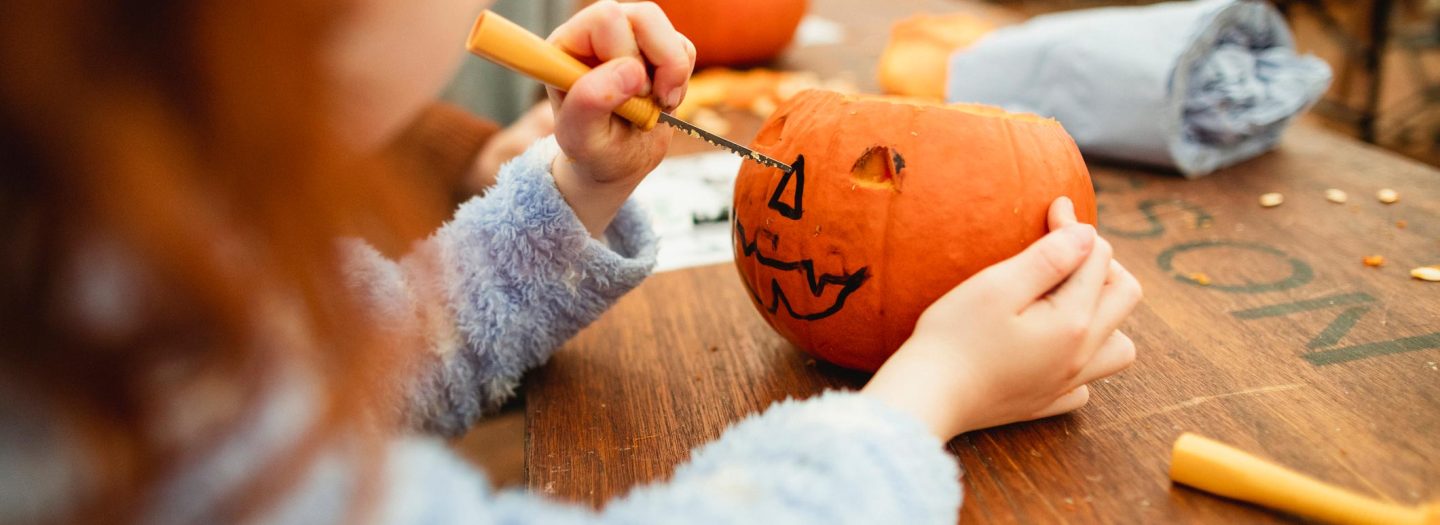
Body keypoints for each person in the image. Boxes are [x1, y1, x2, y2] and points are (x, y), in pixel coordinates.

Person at [0, 0, 1141, 523]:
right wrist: (919, 403)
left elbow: (375, 350)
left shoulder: (128, 257)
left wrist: (576, 190)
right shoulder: (110, 400)